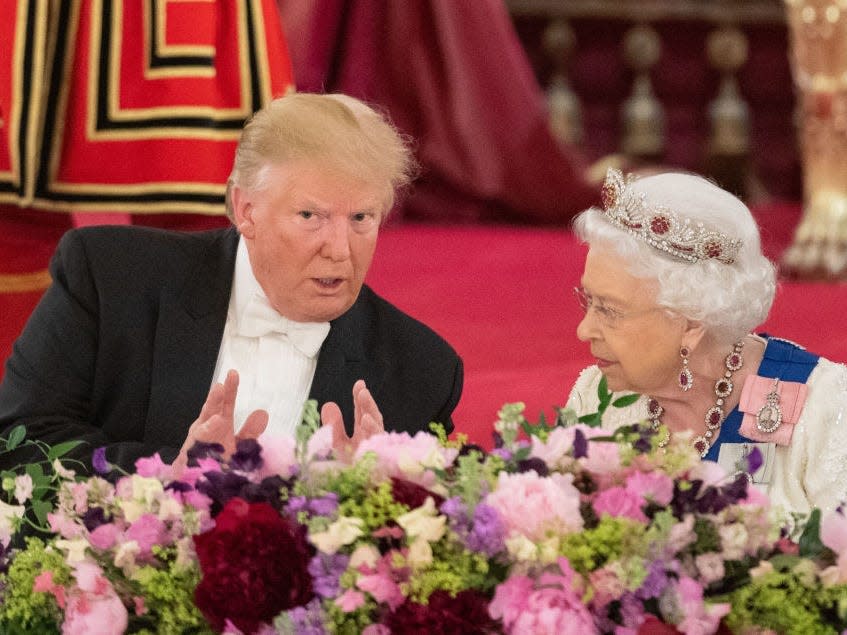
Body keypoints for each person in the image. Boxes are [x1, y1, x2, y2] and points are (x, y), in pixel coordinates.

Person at [0, 92, 463, 473]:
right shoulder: (110, 279)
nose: (340, 249)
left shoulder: (421, 371)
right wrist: (164, 475)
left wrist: (379, 495)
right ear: (246, 210)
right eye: (310, 216)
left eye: (361, 217)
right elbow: (20, 437)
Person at [566, 168, 847, 516]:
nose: (584, 330)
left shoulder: (824, 409)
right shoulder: (597, 397)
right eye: (588, 300)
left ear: (691, 322)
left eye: (610, 310)